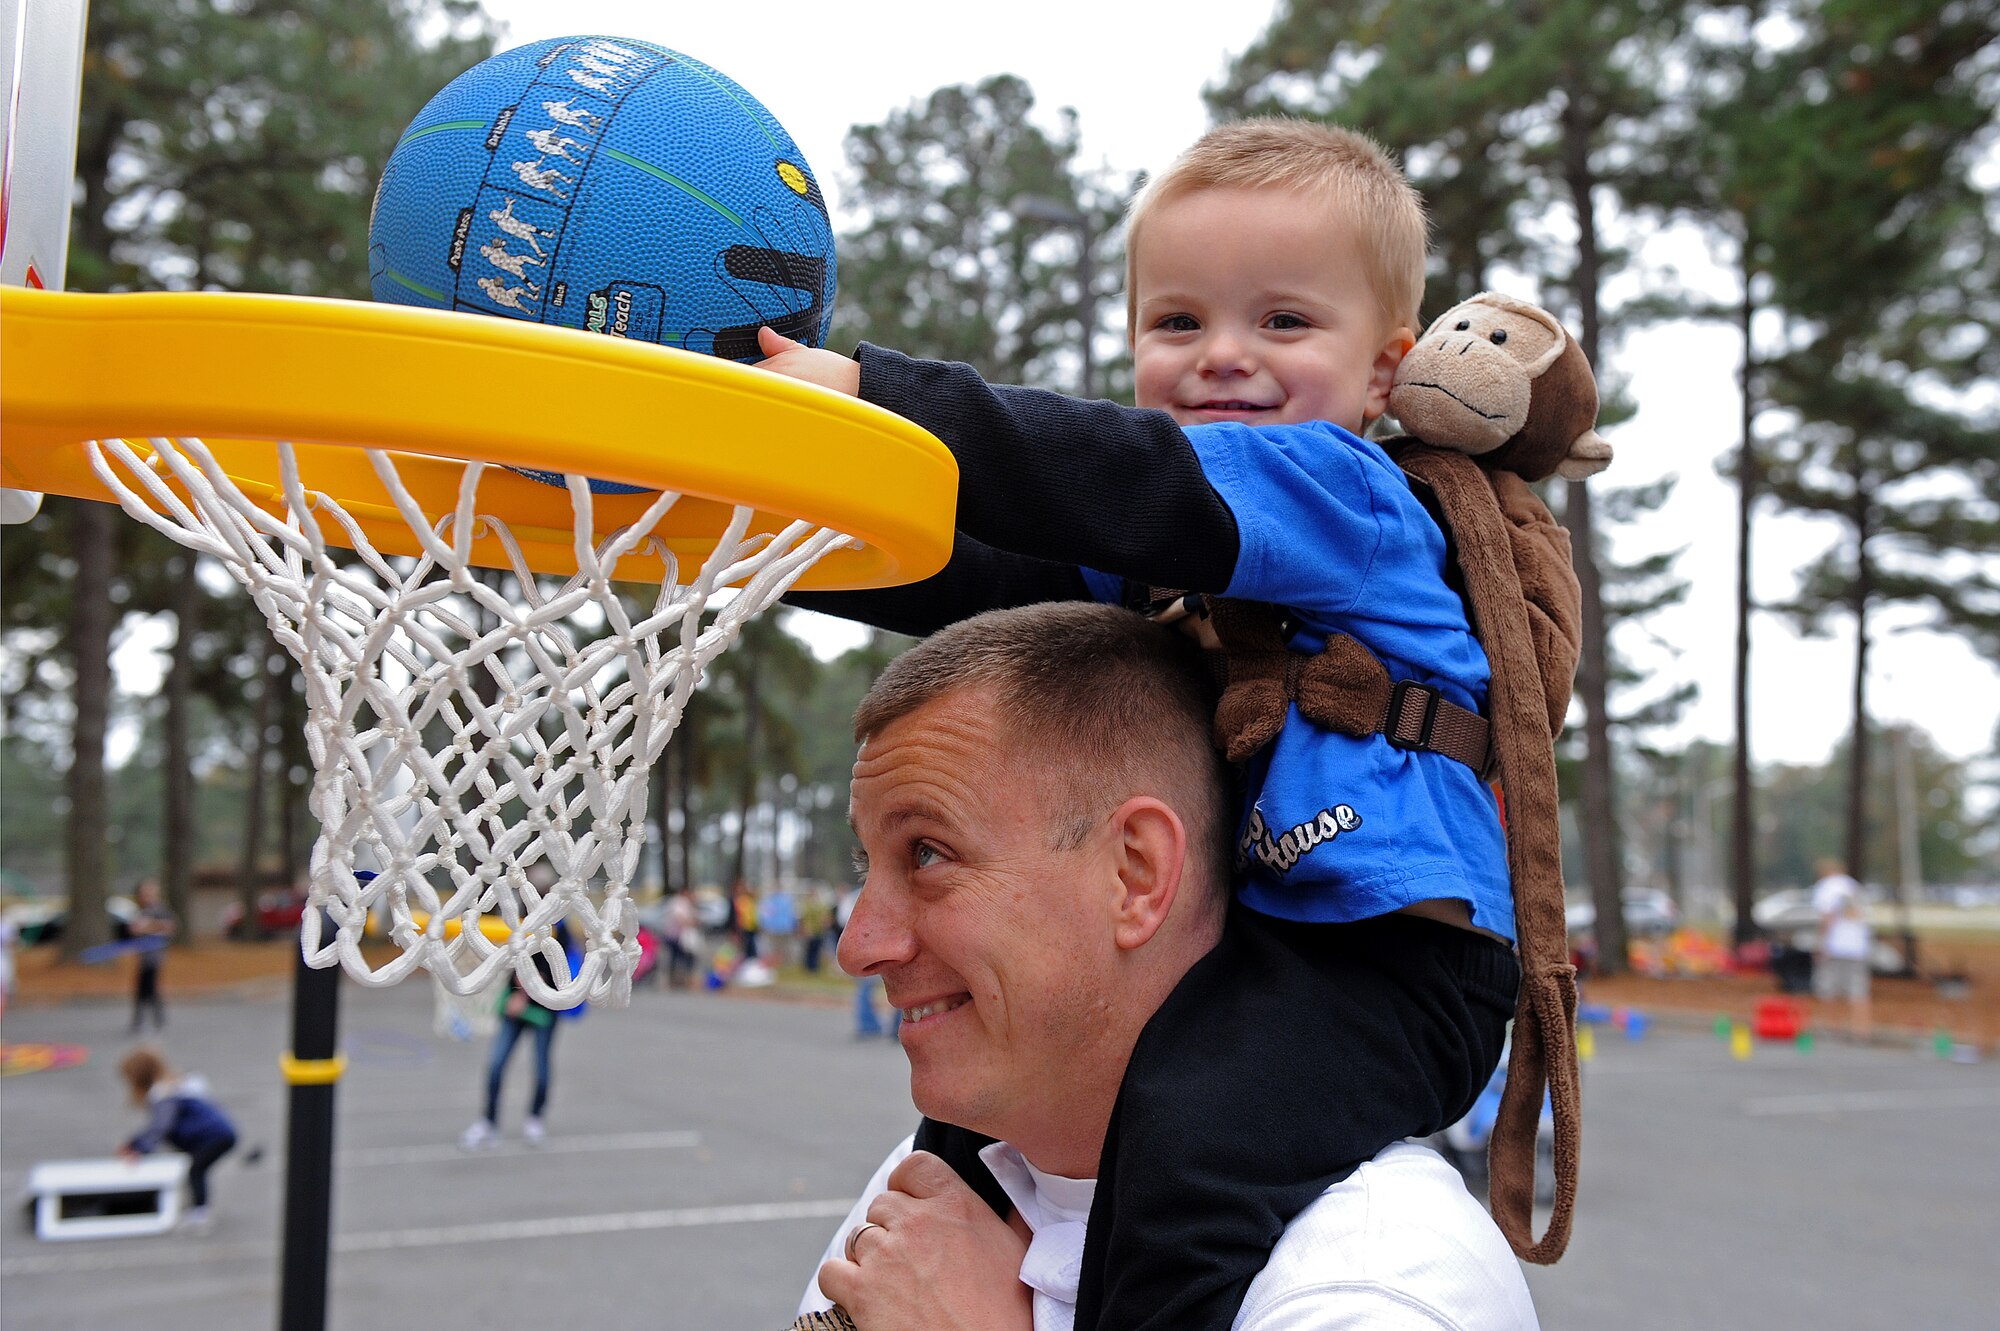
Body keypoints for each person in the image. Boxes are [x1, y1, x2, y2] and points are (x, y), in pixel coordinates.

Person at [764, 119, 1521, 1328]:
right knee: (971, 1123)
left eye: (1280, 321)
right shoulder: (1175, 560)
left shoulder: (1349, 493)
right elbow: (968, 571)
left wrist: (874, 399)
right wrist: (755, 514)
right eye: (1177, 322)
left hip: (1391, 964)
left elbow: (1125, 476)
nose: (1222, 356)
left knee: (1189, 1146)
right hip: (1262, 940)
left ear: (1382, 373)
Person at [797, 602, 1537, 1330]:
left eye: (927, 853)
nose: (859, 944)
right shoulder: (935, 1189)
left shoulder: (1382, 1283)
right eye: (869, 862)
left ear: (1136, 874)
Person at [459, 918, 575, 1149]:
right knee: (496, 1064)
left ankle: (535, 1117)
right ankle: (488, 1122)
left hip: (544, 1009)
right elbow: (512, 959)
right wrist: (516, 994)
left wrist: (525, 995)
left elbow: (554, 970)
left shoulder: (559, 926)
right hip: (515, 1007)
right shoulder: (517, 917)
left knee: (541, 1067)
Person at [118, 1046, 238, 1234]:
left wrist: (139, 1148)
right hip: (218, 1133)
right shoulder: (175, 1084)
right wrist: (136, 1143)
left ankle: (200, 1214)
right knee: (196, 1169)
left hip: (213, 1135)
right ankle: (197, 1209)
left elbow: (161, 1126)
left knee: (196, 1170)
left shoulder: (164, 1093)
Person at [1810, 857, 1872, 1039]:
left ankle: (1831, 1026)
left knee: (1829, 987)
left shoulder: (1827, 887)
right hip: (1858, 945)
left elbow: (1827, 917)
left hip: (1836, 944)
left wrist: (1821, 943)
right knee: (1858, 989)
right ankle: (1861, 1030)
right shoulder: (1854, 886)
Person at [128, 878, 178, 1033]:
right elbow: (135, 930)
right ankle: (147, 1019)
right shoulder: (142, 911)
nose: (145, 896)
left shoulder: (160, 910)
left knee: (149, 988)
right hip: (143, 957)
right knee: (143, 988)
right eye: (143, 893)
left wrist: (148, 927)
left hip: (154, 957)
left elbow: (169, 927)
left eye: (148, 893)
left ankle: (152, 1019)